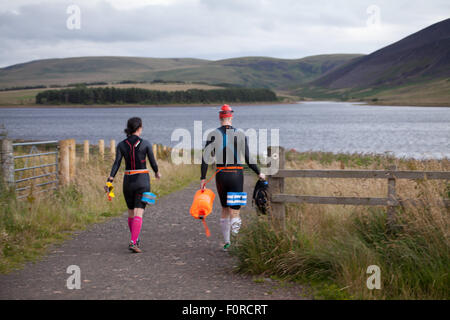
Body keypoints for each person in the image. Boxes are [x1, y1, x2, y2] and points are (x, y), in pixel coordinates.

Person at [201, 105, 265, 251]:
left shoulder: (212, 135)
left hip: (221, 175)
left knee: (224, 208)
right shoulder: (241, 135)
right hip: (236, 174)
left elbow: (205, 159)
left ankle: (227, 243)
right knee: (235, 210)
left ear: (220, 117)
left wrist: (202, 178)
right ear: (231, 117)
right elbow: (248, 158)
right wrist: (259, 172)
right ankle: (235, 244)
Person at [107, 117, 161, 253]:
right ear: (139, 128)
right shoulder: (146, 143)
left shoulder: (121, 145)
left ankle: (134, 239)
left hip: (128, 180)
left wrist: (110, 180)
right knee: (139, 212)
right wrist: (157, 173)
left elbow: (117, 163)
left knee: (131, 212)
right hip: (142, 180)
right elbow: (153, 162)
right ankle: (133, 242)